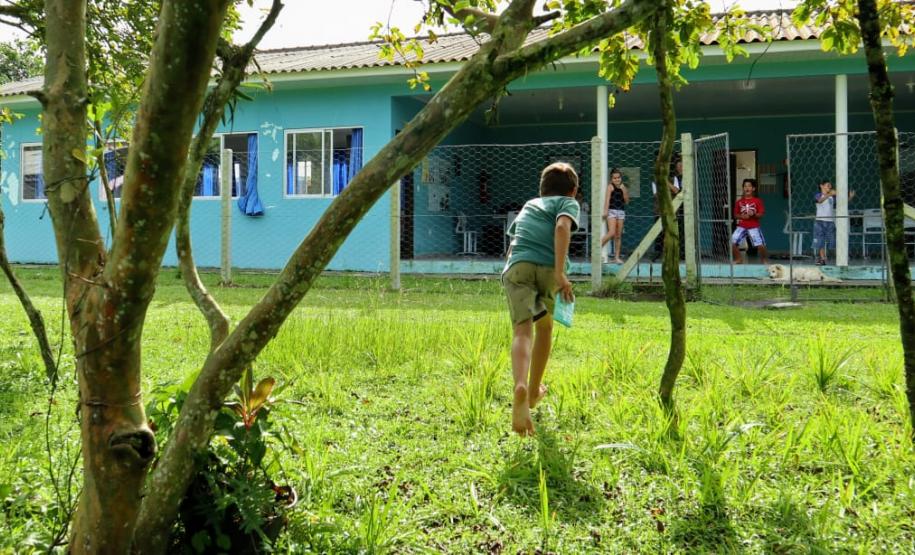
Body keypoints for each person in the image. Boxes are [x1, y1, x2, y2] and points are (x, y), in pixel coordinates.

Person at [502, 162, 579, 436]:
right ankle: (533, 392)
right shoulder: (568, 204)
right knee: (544, 328)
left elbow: (513, 244)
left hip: (517, 269)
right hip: (547, 270)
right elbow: (561, 228)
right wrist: (559, 273)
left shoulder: (530, 204)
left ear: (541, 189)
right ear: (573, 192)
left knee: (522, 330)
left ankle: (520, 385)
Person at [812, 179, 855, 265]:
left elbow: (842, 203)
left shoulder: (831, 197)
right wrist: (829, 194)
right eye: (828, 185)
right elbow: (819, 201)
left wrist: (850, 197)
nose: (830, 187)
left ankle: (841, 257)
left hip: (830, 221)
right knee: (820, 240)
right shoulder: (818, 195)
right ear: (821, 186)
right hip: (819, 221)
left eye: (830, 186)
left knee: (833, 241)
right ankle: (822, 258)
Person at [731, 178, 768, 264]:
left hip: (754, 226)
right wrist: (742, 216)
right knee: (732, 242)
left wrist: (754, 214)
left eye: (749, 186)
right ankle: (738, 259)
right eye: (745, 186)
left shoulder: (757, 201)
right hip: (742, 226)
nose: (747, 188)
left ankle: (764, 260)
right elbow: (735, 215)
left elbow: (761, 214)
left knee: (761, 245)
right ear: (743, 188)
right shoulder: (739, 202)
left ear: (753, 189)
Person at [600, 168, 629, 264]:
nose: (617, 180)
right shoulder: (610, 187)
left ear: (621, 178)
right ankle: (597, 248)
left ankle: (616, 257)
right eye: (614, 178)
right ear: (611, 179)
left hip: (621, 212)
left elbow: (627, 201)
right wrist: (605, 211)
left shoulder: (623, 187)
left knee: (618, 236)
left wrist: (624, 190)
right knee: (611, 232)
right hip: (611, 211)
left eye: (618, 178)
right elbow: (607, 200)